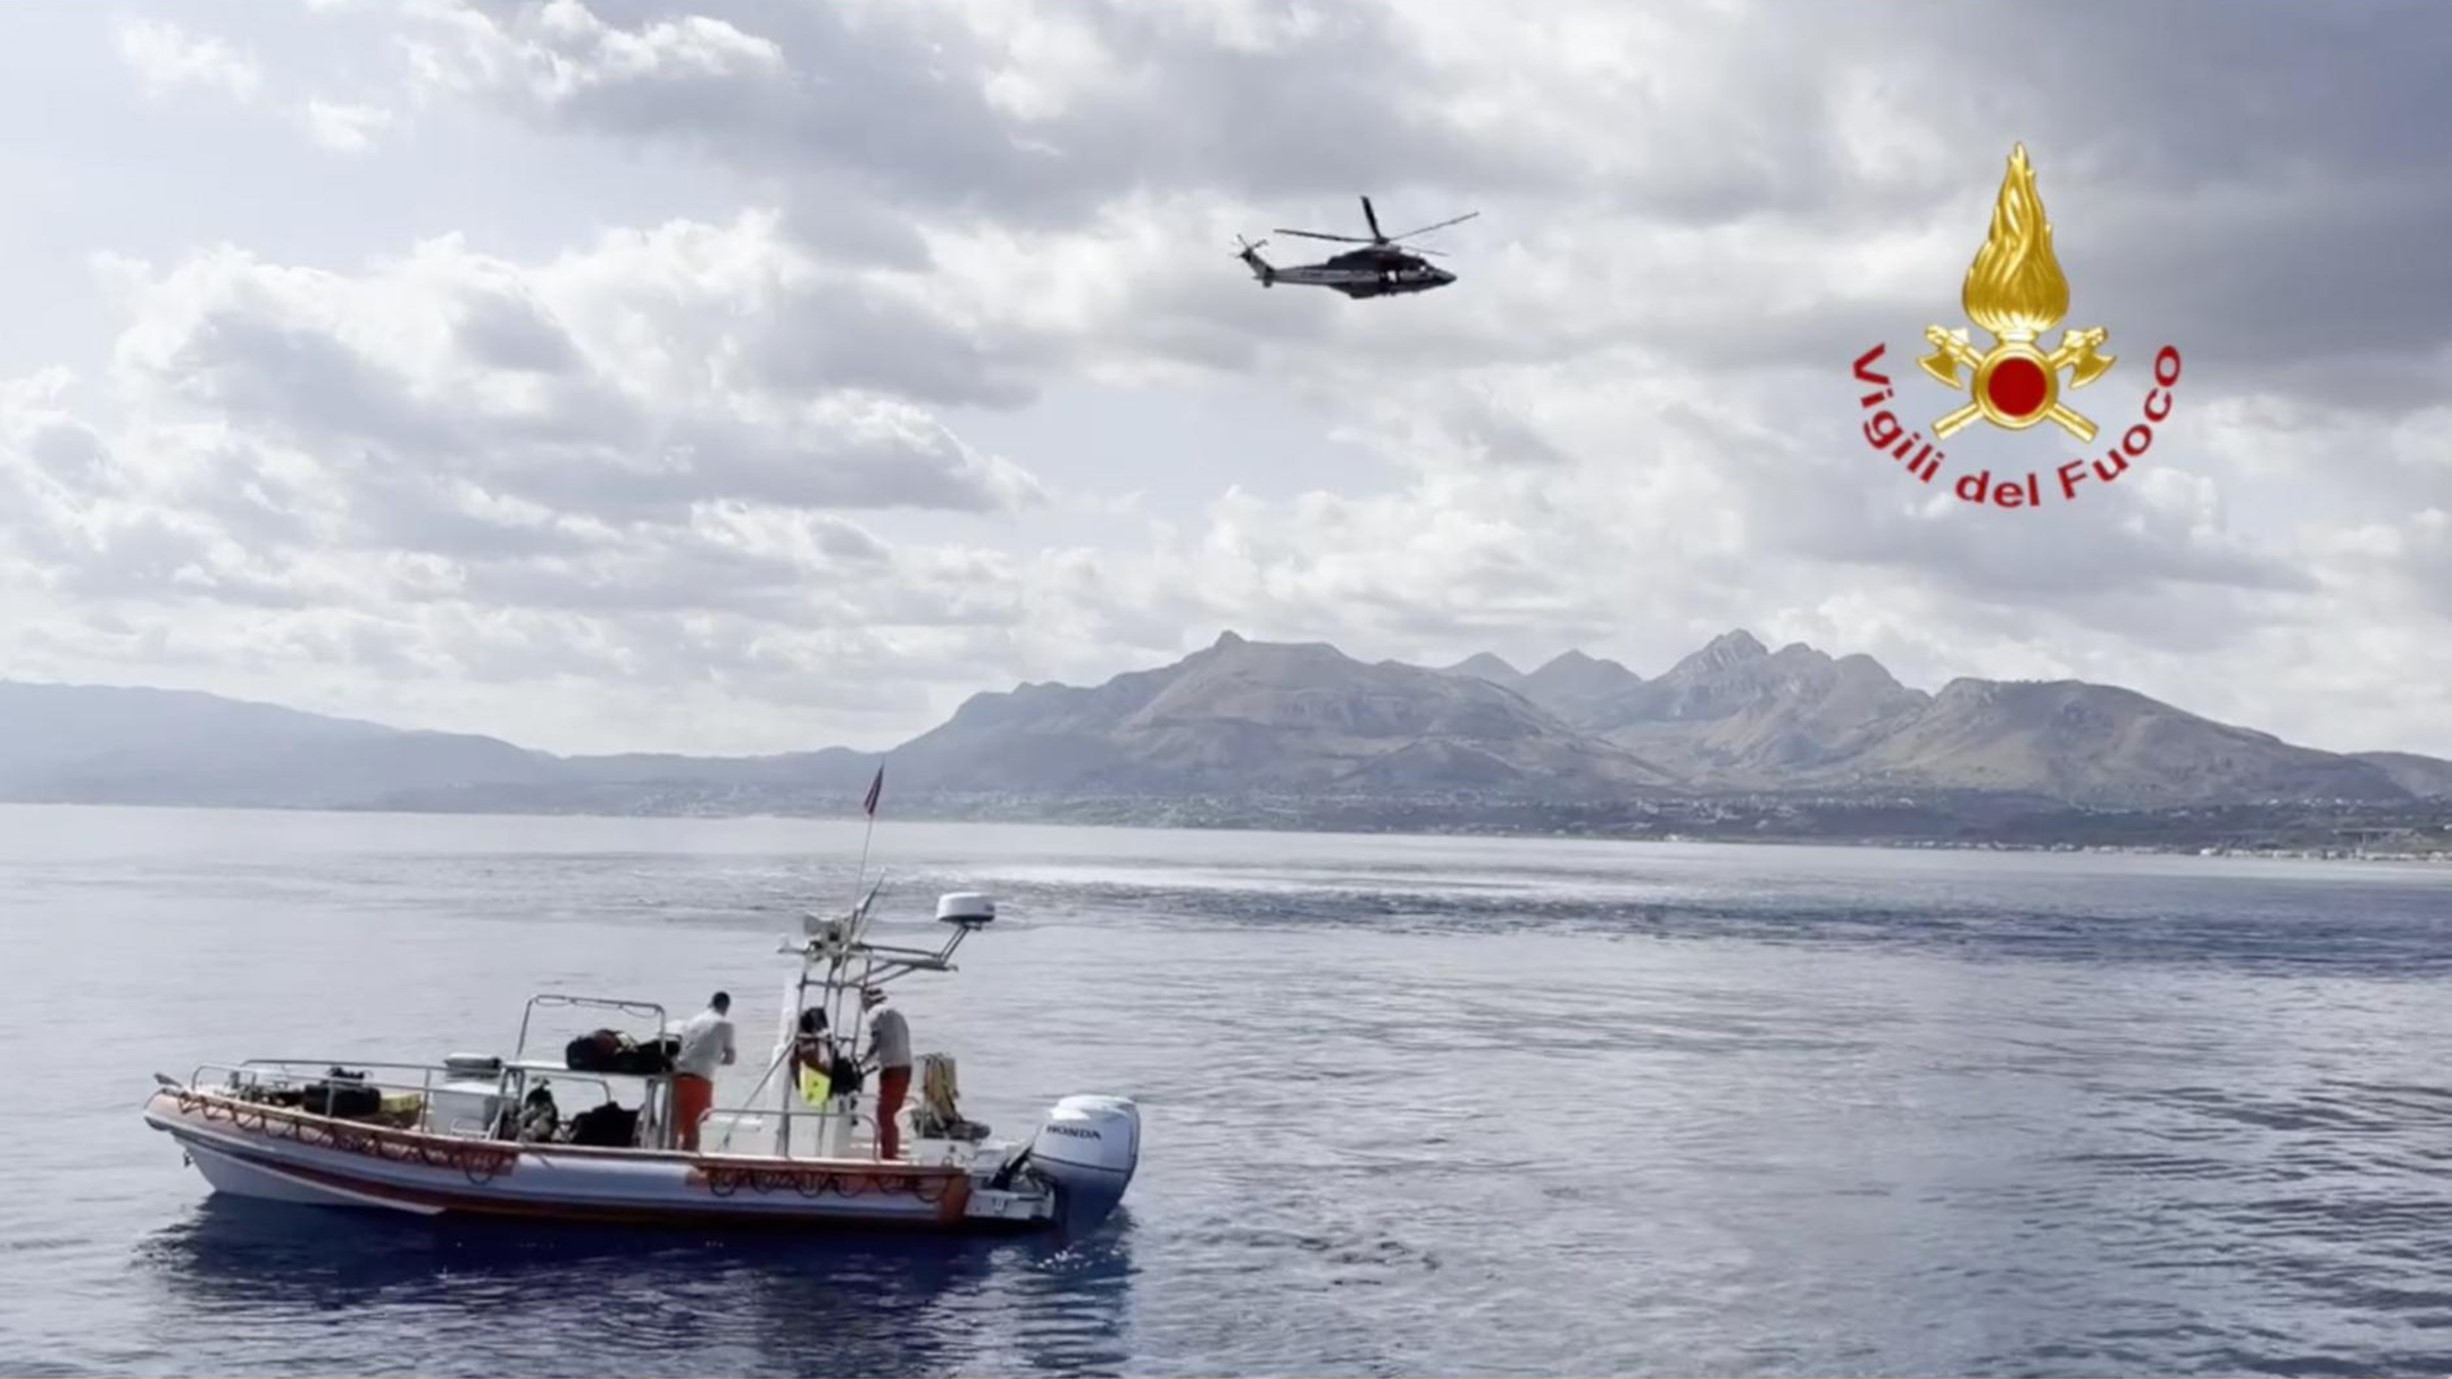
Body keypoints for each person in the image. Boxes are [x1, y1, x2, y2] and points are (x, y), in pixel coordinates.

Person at [671, 991, 736, 1152]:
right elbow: (730, 1058)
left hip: (677, 1076)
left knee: (677, 1127)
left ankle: (672, 1160)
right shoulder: (724, 1024)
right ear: (726, 1007)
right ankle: (687, 1165)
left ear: (710, 1003)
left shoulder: (692, 1021)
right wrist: (715, 1060)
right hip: (699, 1079)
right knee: (694, 1129)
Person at [861, 986, 913, 1161]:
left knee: (884, 1114)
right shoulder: (896, 1014)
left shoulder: (874, 1013)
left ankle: (889, 1157)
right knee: (890, 1112)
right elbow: (892, 1045)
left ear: (867, 1000)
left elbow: (876, 1042)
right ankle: (890, 1152)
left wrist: (861, 1062)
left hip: (893, 1070)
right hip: (904, 1067)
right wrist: (873, 1067)